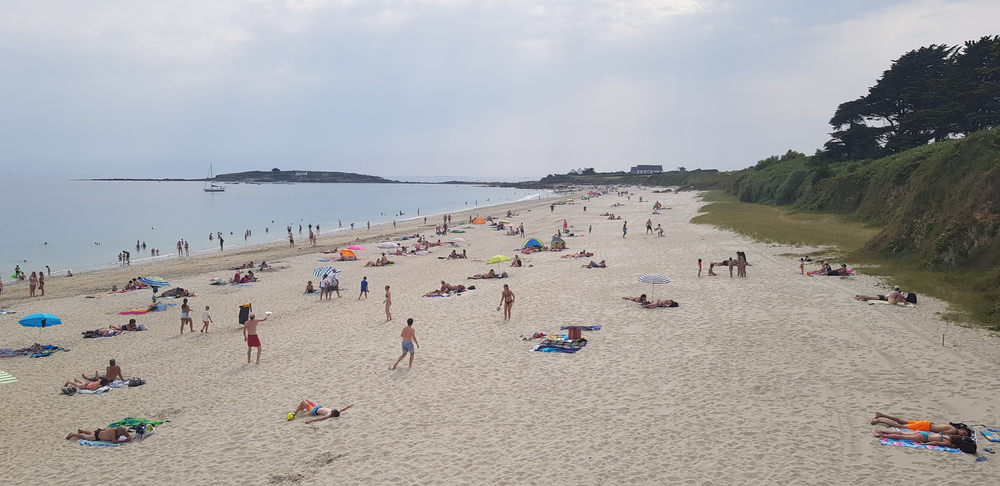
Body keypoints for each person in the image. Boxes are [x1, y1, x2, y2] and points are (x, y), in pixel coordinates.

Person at [870, 412, 972, 436]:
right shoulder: (954, 430)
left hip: (927, 423)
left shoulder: (952, 427)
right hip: (925, 426)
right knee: (900, 425)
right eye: (964, 433)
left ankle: (881, 415)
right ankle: (879, 420)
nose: (962, 435)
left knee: (901, 421)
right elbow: (941, 433)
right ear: (963, 430)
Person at [873, 429, 962, 448]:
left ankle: (883, 431)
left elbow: (938, 434)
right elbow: (935, 442)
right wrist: (924, 444)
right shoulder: (947, 442)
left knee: (901, 433)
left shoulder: (947, 436)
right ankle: (882, 436)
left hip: (923, 433)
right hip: (924, 437)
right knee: (901, 436)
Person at [288, 400, 354, 424]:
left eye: (333, 411)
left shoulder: (329, 414)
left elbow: (321, 418)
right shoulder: (335, 411)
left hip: (314, 410)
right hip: (317, 406)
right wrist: (348, 406)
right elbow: (342, 409)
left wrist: (310, 421)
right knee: (306, 400)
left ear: (333, 414)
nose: (332, 410)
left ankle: (295, 413)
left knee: (303, 401)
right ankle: (302, 409)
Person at [66, 426, 133, 444]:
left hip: (101, 432)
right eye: (120, 434)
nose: (121, 435)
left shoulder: (121, 430)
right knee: (86, 437)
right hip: (98, 436)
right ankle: (72, 435)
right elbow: (114, 442)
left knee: (92, 433)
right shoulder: (113, 432)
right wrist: (125, 441)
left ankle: (82, 431)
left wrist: (129, 437)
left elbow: (127, 434)